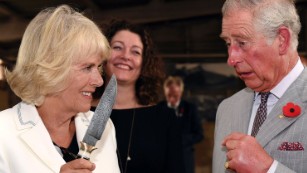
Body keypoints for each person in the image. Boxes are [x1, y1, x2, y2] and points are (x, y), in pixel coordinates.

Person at [0, 5, 120, 173]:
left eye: (98, 67)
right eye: (87, 67)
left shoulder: (103, 125)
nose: (99, 81)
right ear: (51, 68)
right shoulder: (3, 132)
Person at [212, 0, 307, 172]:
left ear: (282, 40)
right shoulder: (227, 109)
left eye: (242, 43)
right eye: (228, 43)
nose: (231, 59)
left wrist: (268, 169)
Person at [91, 19, 185, 173]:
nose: (125, 56)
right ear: (102, 55)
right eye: (117, 47)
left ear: (144, 63)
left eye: (135, 51)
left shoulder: (164, 119)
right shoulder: (79, 112)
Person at [160, 75, 204, 173]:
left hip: (185, 160)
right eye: (169, 95)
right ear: (165, 92)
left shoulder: (190, 108)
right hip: (163, 161)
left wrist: (180, 139)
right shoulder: (158, 108)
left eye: (175, 95)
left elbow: (199, 135)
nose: (172, 99)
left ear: (181, 92)